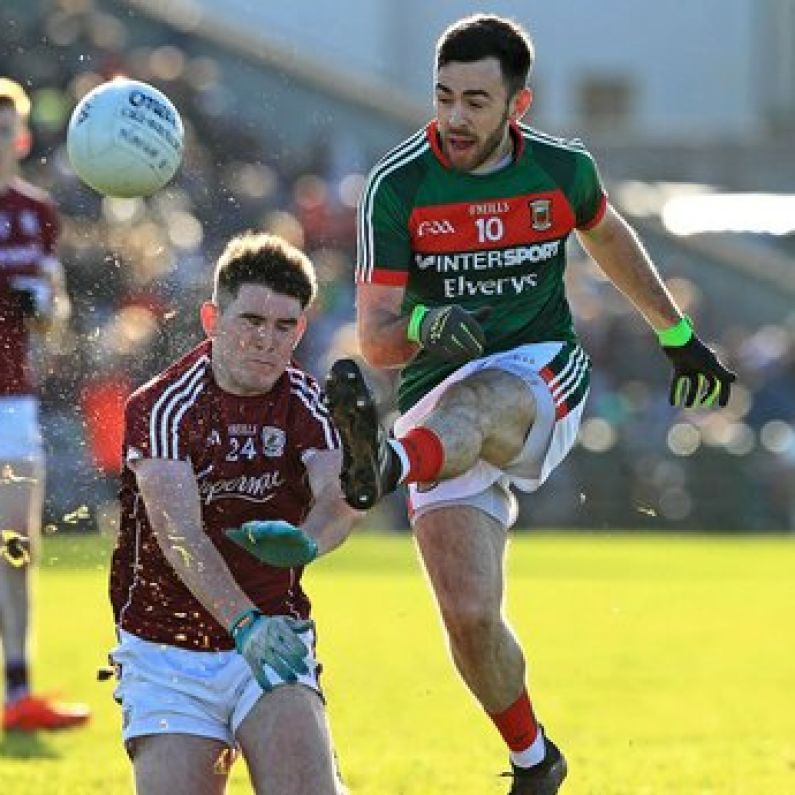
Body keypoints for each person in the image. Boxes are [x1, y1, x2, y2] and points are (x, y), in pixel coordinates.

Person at [325, 14, 736, 795]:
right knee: (470, 618)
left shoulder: (560, 169)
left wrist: (675, 333)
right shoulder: (398, 183)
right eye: (443, 95)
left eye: (476, 100)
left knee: (480, 401)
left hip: (538, 371)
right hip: (430, 395)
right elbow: (375, 340)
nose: (454, 117)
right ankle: (532, 760)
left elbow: (607, 237)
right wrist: (423, 321)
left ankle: (383, 463)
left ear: (518, 104)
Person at [109, 232, 358, 794]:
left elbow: (335, 495)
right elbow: (181, 536)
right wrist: (243, 622)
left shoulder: (305, 400)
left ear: (302, 329)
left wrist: (309, 541)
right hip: (167, 652)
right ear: (211, 318)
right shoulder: (162, 404)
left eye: (284, 327)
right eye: (251, 321)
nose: (266, 341)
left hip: (274, 637)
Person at [0, 77, 86, 731]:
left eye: (5, 130)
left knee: (13, 543)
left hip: (13, 398)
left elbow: (56, 316)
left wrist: (44, 309)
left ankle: (17, 689)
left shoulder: (38, 212)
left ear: (21, 137)